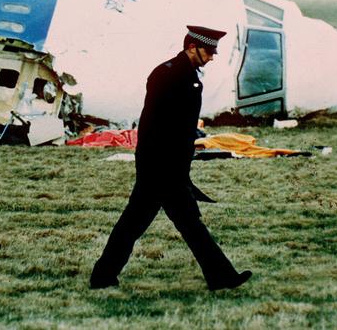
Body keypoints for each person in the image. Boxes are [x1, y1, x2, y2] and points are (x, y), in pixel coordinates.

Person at [90, 25, 252, 291]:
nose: (212, 57)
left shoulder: (184, 74)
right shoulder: (167, 75)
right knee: (179, 223)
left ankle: (103, 276)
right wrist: (168, 168)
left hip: (169, 166)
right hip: (161, 167)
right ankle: (221, 276)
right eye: (209, 51)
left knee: (148, 223)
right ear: (192, 48)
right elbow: (155, 126)